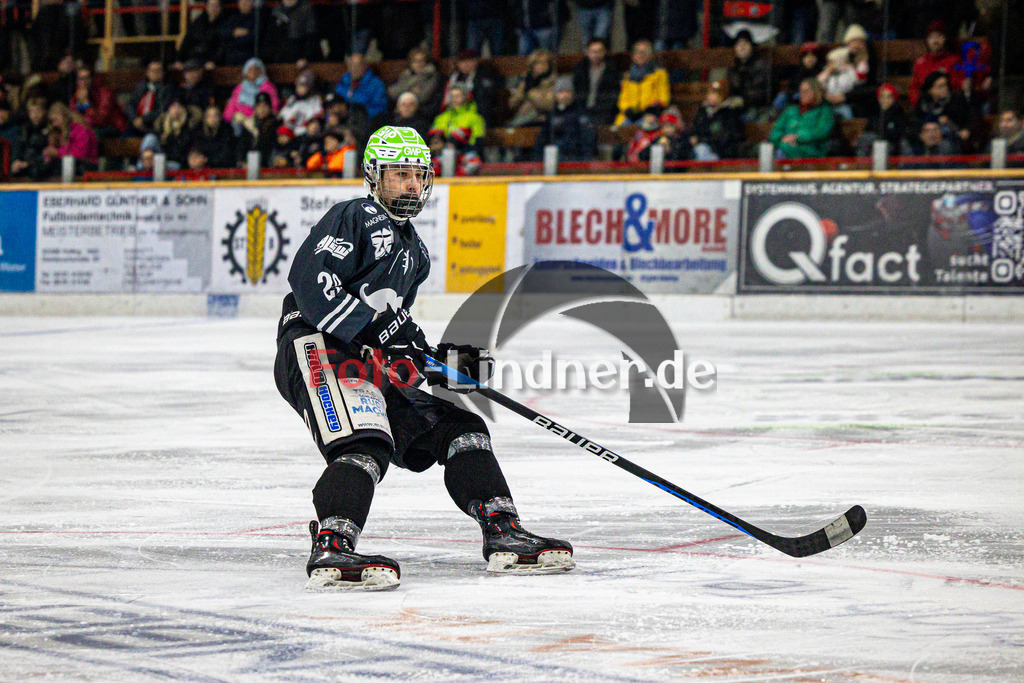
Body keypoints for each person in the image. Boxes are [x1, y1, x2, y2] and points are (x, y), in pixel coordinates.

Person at [275, 125, 574, 591]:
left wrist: (439, 361)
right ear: (374, 176)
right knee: (365, 442)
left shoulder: (414, 251)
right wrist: (377, 333)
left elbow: (397, 332)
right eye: (400, 174)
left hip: (365, 356)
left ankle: (502, 530)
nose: (412, 185)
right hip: (316, 346)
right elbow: (311, 283)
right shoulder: (352, 215)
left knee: (462, 429)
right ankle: (333, 542)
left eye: (419, 175)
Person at [769, 78, 835, 159]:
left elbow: (823, 131)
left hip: (811, 151)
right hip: (785, 147)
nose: (802, 94)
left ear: (816, 92)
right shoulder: (791, 110)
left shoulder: (824, 111)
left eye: (806, 91)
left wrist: (797, 137)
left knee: (780, 152)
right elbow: (775, 131)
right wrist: (782, 139)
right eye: (801, 91)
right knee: (773, 151)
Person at [534, 77, 596, 161]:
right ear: (556, 95)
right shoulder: (552, 115)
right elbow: (543, 139)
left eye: (567, 91)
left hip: (576, 159)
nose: (564, 95)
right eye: (561, 92)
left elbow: (587, 140)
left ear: (573, 94)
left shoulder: (581, 114)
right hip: (554, 159)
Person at [614, 39, 670, 126]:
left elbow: (664, 98)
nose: (640, 55)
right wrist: (628, 110)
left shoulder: (659, 74)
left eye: (644, 52)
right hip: (630, 115)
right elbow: (623, 99)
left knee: (646, 125)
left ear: (650, 55)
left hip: (650, 114)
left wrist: (650, 110)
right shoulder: (627, 76)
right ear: (633, 56)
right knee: (617, 129)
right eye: (637, 52)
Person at [913, 71, 971, 148]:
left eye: (946, 85)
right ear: (930, 89)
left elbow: (969, 119)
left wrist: (964, 129)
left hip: (952, 138)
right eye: (941, 86)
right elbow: (916, 123)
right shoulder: (922, 104)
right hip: (925, 140)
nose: (945, 88)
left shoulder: (956, 101)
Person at [571, 38, 621, 126]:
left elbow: (613, 97)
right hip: (582, 110)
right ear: (587, 52)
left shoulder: (612, 71)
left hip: (603, 112)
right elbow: (577, 93)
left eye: (599, 51)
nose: (596, 55)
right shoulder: (580, 69)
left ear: (605, 52)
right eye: (593, 51)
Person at [443, 50, 500, 126]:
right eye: (462, 62)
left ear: (475, 61)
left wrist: (467, 99)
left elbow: (487, 95)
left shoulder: (484, 74)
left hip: (476, 109)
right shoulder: (454, 77)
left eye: (469, 61)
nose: (466, 64)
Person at [70, 66, 128, 138]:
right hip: (88, 127)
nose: (84, 82)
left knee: (88, 135)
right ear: (77, 81)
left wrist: (86, 104)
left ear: (92, 79)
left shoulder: (104, 93)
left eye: (87, 78)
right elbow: (73, 117)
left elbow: (101, 120)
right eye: (81, 79)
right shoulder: (75, 96)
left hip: (112, 127)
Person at [909, 20, 958, 107]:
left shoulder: (953, 61)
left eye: (939, 36)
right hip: (925, 108)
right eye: (931, 37)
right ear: (927, 40)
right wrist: (918, 104)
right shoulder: (920, 63)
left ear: (944, 38)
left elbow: (956, 85)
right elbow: (914, 88)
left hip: (948, 106)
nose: (935, 41)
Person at [725, 29, 771, 122]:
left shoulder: (760, 66)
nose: (742, 47)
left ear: (751, 46)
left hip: (757, 107)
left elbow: (762, 93)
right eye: (738, 44)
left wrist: (743, 100)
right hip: (737, 108)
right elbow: (731, 89)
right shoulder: (733, 68)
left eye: (745, 43)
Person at [690, 79, 741, 160]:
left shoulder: (729, 114)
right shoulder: (702, 113)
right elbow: (693, 130)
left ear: (721, 96)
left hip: (721, 154)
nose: (709, 96)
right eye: (709, 93)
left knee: (701, 150)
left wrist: (700, 140)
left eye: (714, 93)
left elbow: (725, 138)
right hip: (702, 149)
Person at [224, 58, 280, 129]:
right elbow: (231, 105)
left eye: (256, 69)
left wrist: (254, 116)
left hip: (260, 119)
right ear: (246, 72)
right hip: (241, 120)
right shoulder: (240, 87)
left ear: (262, 71)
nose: (253, 72)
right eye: (250, 69)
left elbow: (274, 106)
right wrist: (231, 117)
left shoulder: (268, 86)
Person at [507, 49, 557, 128]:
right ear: (532, 65)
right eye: (537, 63)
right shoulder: (525, 81)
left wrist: (530, 94)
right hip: (523, 118)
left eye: (544, 63)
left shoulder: (553, 81)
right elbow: (512, 105)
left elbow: (549, 104)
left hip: (544, 120)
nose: (541, 66)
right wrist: (521, 92)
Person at [856, 83, 908, 157]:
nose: (885, 100)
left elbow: (897, 135)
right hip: (874, 144)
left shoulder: (899, 114)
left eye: (889, 97)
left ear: (894, 99)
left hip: (891, 145)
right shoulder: (874, 113)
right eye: (882, 97)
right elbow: (868, 130)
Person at [335, 53, 388, 124]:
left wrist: (360, 113)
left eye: (358, 66)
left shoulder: (376, 84)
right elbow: (336, 101)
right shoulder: (343, 82)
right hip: (343, 120)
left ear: (364, 66)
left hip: (366, 122)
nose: (354, 69)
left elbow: (380, 108)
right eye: (352, 65)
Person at [128, 60, 177, 135]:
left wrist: (143, 120)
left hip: (154, 126)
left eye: (158, 71)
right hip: (136, 124)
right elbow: (130, 105)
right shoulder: (140, 87)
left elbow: (163, 109)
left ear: (162, 73)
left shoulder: (167, 89)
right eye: (152, 71)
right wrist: (134, 119)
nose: (155, 73)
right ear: (147, 73)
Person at [387, 47, 440, 115]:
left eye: (421, 60)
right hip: (402, 113)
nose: (419, 64)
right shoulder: (406, 74)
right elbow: (392, 92)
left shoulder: (432, 75)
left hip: (423, 113)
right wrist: (411, 87)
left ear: (426, 62)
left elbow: (423, 97)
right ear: (411, 63)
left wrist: (405, 93)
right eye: (415, 61)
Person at [174, 0, 226, 69]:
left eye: (215, 6)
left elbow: (222, 46)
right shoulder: (198, 22)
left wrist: (214, 61)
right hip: (193, 57)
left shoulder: (225, 24)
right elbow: (187, 41)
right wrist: (179, 60)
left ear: (220, 8)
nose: (213, 8)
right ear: (207, 7)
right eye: (210, 5)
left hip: (209, 59)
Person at [264, 0, 320, 64]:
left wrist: (306, 58)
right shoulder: (276, 10)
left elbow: (312, 37)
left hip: (299, 56)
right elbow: (270, 38)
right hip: (279, 57)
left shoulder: (306, 8)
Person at [10, 96, 50, 179]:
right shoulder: (23, 131)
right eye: (32, 111)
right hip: (24, 173)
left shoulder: (50, 130)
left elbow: (46, 156)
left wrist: (27, 164)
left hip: (43, 174)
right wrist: (15, 162)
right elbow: (17, 149)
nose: (35, 115)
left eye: (38, 111)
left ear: (44, 111)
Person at [190, 104, 237, 168]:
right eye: (209, 116)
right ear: (205, 118)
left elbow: (226, 154)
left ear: (220, 117)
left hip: (222, 168)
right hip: (202, 167)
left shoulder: (227, 131)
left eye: (215, 116)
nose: (212, 119)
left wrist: (207, 160)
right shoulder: (199, 132)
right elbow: (196, 149)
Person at [279, 70, 323, 137]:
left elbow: (317, 116)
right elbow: (283, 114)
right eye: (299, 86)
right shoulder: (292, 99)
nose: (300, 89)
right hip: (290, 132)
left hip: (305, 133)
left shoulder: (315, 100)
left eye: (303, 87)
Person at [818, 47, 857, 120]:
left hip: (844, 103)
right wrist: (828, 72)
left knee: (846, 112)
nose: (830, 65)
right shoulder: (827, 73)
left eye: (832, 62)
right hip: (828, 103)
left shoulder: (849, 72)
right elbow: (819, 82)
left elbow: (850, 85)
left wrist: (841, 96)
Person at [218, 0, 261, 67]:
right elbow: (222, 32)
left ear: (252, 3)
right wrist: (233, 32)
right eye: (241, 2)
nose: (243, 4)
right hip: (231, 55)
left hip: (248, 55)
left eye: (246, 2)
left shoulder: (257, 18)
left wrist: (233, 39)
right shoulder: (233, 17)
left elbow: (254, 36)